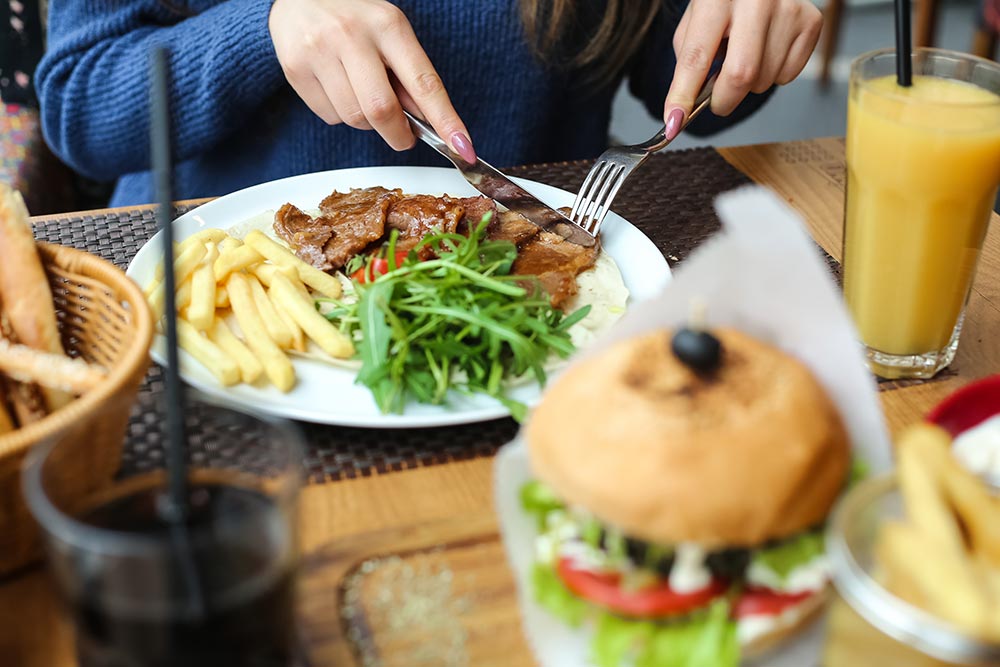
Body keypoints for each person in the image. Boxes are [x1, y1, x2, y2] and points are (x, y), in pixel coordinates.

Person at [36, 0, 821, 207]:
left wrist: (743, 41)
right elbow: (79, 103)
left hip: (525, 304)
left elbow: (674, 82)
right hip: (210, 322)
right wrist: (263, 29)